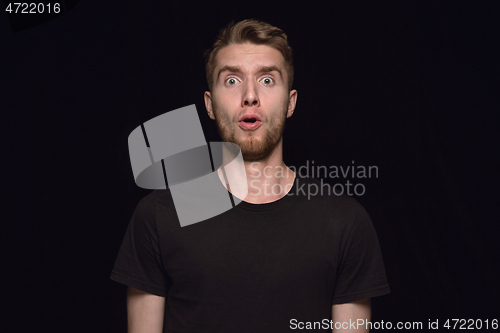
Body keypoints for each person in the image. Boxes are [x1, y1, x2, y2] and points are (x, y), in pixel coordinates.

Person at [111, 19, 390, 332]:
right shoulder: (158, 216)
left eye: (268, 80)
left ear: (290, 103)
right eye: (231, 80)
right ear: (210, 104)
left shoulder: (345, 221)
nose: (250, 95)